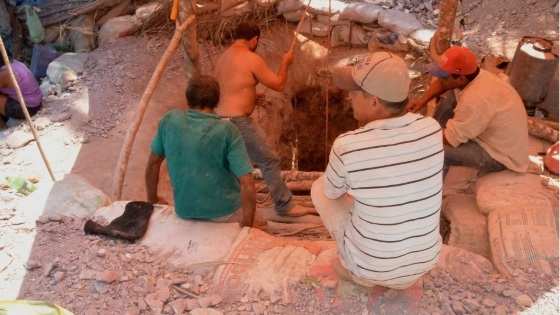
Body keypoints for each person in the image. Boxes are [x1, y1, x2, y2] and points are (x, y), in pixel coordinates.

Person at [311, 52, 443, 289]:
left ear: (374, 101)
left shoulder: (347, 145)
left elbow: (332, 194)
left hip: (372, 270)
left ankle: (356, 267)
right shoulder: (432, 129)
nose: (349, 98)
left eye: (354, 92)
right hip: (424, 262)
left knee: (320, 188)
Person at [214, 22, 315, 217]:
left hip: (219, 119)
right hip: (237, 121)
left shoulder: (223, 58)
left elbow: (229, 88)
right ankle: (285, 205)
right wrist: (285, 62)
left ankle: (229, 203)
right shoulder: (251, 58)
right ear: (254, 40)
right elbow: (278, 84)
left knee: (230, 164)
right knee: (268, 160)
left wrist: (252, 96)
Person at [145, 75, 256, 227]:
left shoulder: (170, 120)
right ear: (217, 100)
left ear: (188, 98)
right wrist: (247, 225)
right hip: (225, 213)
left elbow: (153, 164)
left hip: (185, 211)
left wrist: (153, 199)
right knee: (262, 224)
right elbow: (247, 183)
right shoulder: (228, 130)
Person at [408, 46, 528, 174]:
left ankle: (431, 188)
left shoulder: (475, 101)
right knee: (449, 97)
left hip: (498, 155)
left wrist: (416, 133)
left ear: (461, 78)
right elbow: (442, 84)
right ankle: (438, 129)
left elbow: (449, 140)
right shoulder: (476, 76)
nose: (440, 79)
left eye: (444, 76)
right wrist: (422, 101)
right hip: (492, 130)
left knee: (432, 148)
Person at [0, 50, 42, 128]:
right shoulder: (15, 63)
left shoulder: (5, 73)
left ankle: (3, 128)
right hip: (35, 102)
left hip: (28, 109)